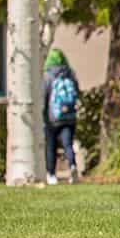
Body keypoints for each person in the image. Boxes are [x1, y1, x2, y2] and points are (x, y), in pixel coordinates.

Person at [42, 48, 80, 185]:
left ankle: (51, 174)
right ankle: (73, 167)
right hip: (69, 117)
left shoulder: (48, 76)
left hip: (52, 118)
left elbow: (44, 97)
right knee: (68, 145)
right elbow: (77, 93)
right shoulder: (70, 74)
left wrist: (43, 115)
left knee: (51, 146)